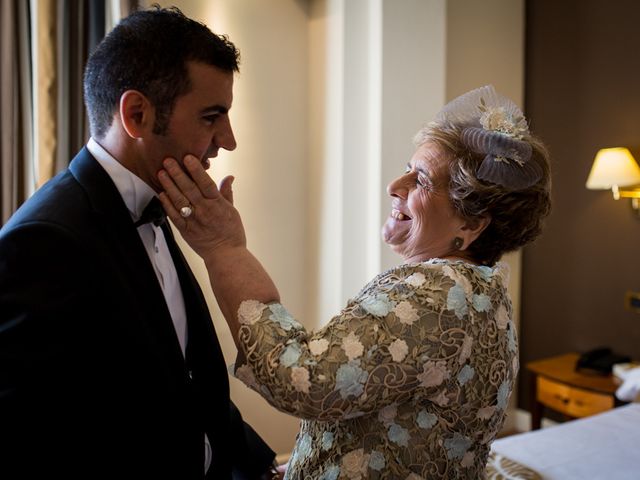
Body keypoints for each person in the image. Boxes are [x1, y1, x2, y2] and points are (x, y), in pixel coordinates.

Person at [157, 85, 552, 479]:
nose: (395, 185)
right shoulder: (484, 290)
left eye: (423, 180)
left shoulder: (438, 294)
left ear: (471, 223)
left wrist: (226, 249)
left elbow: (304, 380)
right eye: (408, 168)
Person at [0, 7, 279, 480]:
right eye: (212, 117)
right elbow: (26, 433)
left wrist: (266, 467)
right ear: (137, 114)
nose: (227, 141)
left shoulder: (158, 201)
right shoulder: (44, 240)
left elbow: (190, 385)